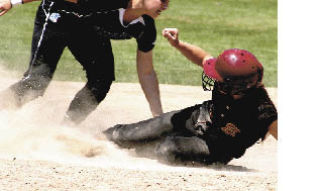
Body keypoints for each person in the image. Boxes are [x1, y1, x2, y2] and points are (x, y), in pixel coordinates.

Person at [104, 28, 278, 165]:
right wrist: (177, 44)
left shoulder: (263, 112)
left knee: (167, 150)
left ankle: (138, 151)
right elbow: (202, 57)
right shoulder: (227, 73)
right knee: (128, 134)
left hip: (216, 147)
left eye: (220, 82)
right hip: (199, 117)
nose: (214, 80)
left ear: (236, 87)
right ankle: (91, 141)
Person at [0, 0, 167, 124]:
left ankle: (66, 129)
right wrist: (13, 2)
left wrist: (158, 116)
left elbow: (147, 72)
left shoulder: (145, 28)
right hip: (59, 16)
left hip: (86, 30)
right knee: (37, 81)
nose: (166, 5)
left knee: (101, 79)